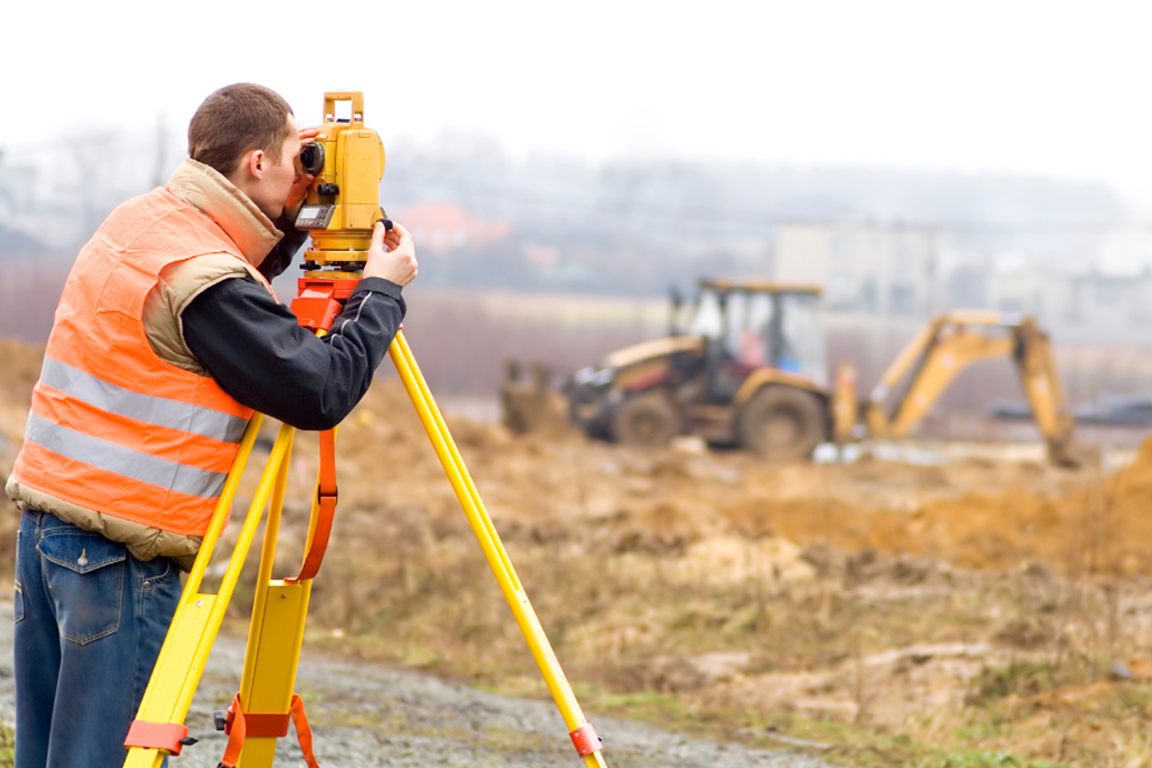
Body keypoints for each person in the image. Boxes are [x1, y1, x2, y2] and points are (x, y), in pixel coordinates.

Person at [6, 83, 417, 768]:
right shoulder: (207, 280)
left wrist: (295, 223)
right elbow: (320, 390)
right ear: (258, 163)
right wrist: (380, 291)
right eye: (299, 155)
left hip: (51, 536)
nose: (308, 170)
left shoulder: (145, 223)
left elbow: (232, 291)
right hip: (118, 557)